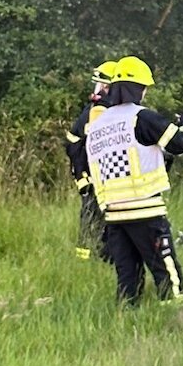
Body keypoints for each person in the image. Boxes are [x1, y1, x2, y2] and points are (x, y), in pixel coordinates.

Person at [85, 55, 183, 304]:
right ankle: (176, 312)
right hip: (145, 209)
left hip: (113, 213)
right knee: (165, 270)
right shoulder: (142, 117)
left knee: (127, 275)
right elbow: (180, 144)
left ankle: (127, 313)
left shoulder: (97, 125)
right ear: (139, 89)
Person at [65, 58, 120, 261]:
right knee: (92, 217)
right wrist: (83, 176)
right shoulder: (96, 112)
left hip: (98, 175)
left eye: (104, 86)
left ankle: (102, 256)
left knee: (104, 219)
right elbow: (77, 144)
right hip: (93, 176)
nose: (99, 91)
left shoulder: (110, 111)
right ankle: (86, 260)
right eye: (99, 86)